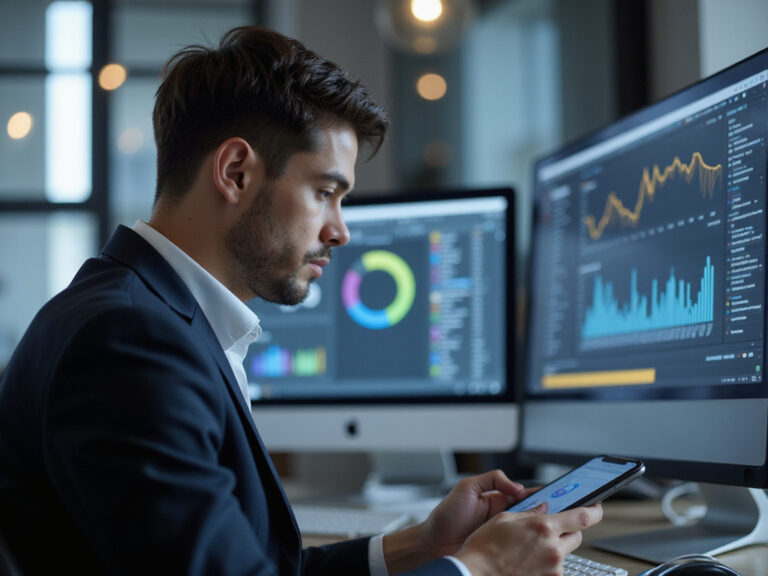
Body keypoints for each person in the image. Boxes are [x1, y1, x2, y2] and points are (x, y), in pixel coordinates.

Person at [0, 26, 602, 575]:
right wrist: (482, 571)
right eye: (325, 192)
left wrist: (422, 544)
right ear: (235, 172)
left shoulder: (143, 313)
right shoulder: (130, 341)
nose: (341, 231)